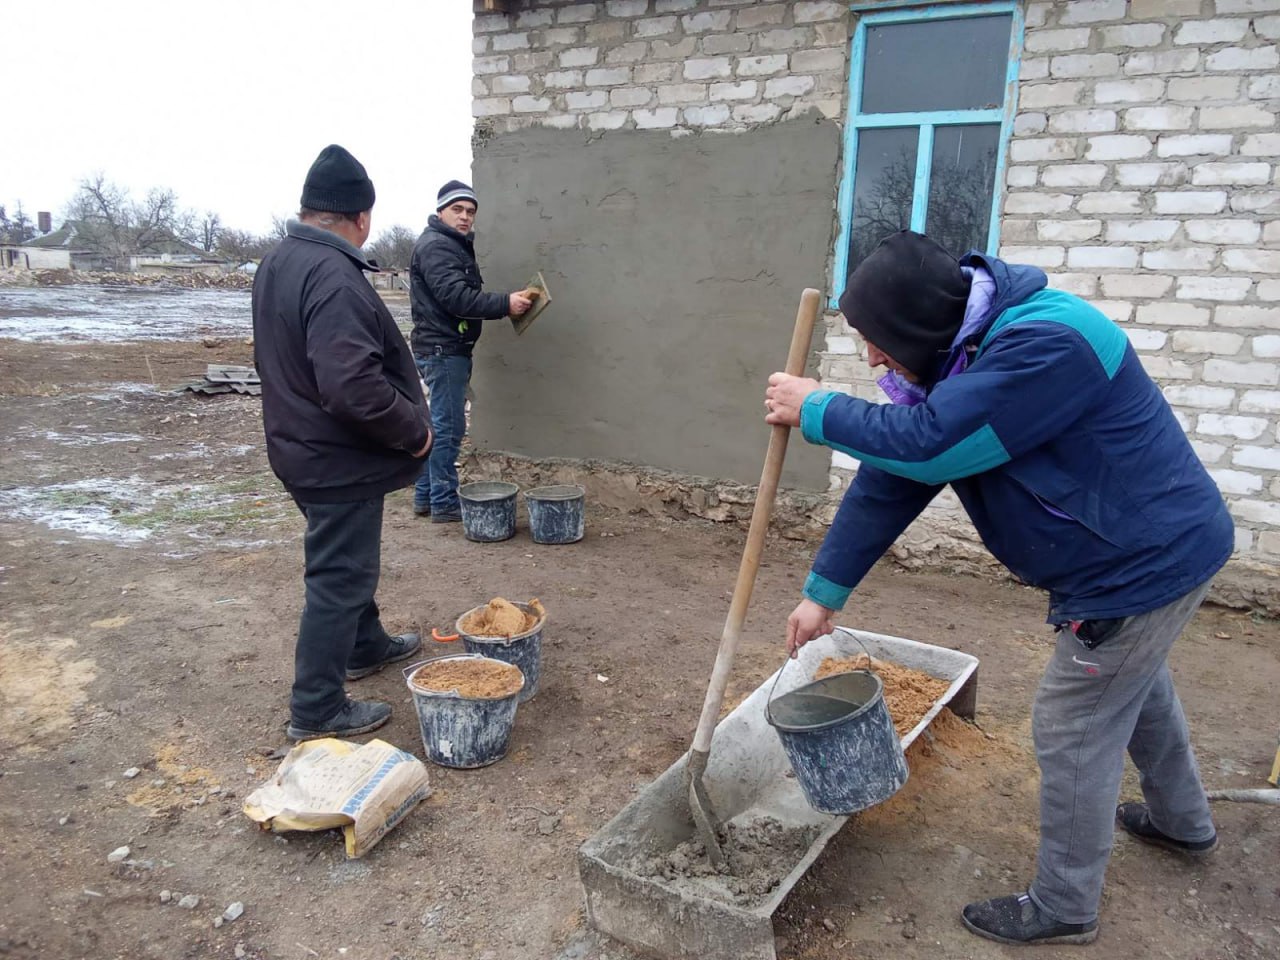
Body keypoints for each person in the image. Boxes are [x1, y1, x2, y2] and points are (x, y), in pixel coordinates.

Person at [764, 230, 1232, 946]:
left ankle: (1066, 906)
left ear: (916, 324)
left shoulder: (1049, 341)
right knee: (1130, 688)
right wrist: (824, 591)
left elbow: (933, 444)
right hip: (1142, 555)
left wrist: (818, 409)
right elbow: (899, 472)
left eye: (876, 340)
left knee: (1074, 725)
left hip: (1140, 565)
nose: (872, 359)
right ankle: (1181, 820)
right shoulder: (963, 355)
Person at [253, 144, 431, 741]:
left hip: (302, 446)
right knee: (338, 577)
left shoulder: (280, 260)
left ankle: (366, 644)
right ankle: (317, 709)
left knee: (347, 562)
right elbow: (351, 387)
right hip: (335, 457)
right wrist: (414, 433)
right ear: (362, 218)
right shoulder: (334, 276)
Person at [408, 180, 532, 521]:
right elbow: (456, 298)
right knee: (448, 428)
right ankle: (444, 503)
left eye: (470, 212)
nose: (465, 217)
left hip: (444, 346)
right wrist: (505, 304)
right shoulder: (438, 246)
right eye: (457, 210)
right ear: (440, 212)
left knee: (439, 424)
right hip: (443, 348)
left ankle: (426, 496)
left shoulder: (449, 244)